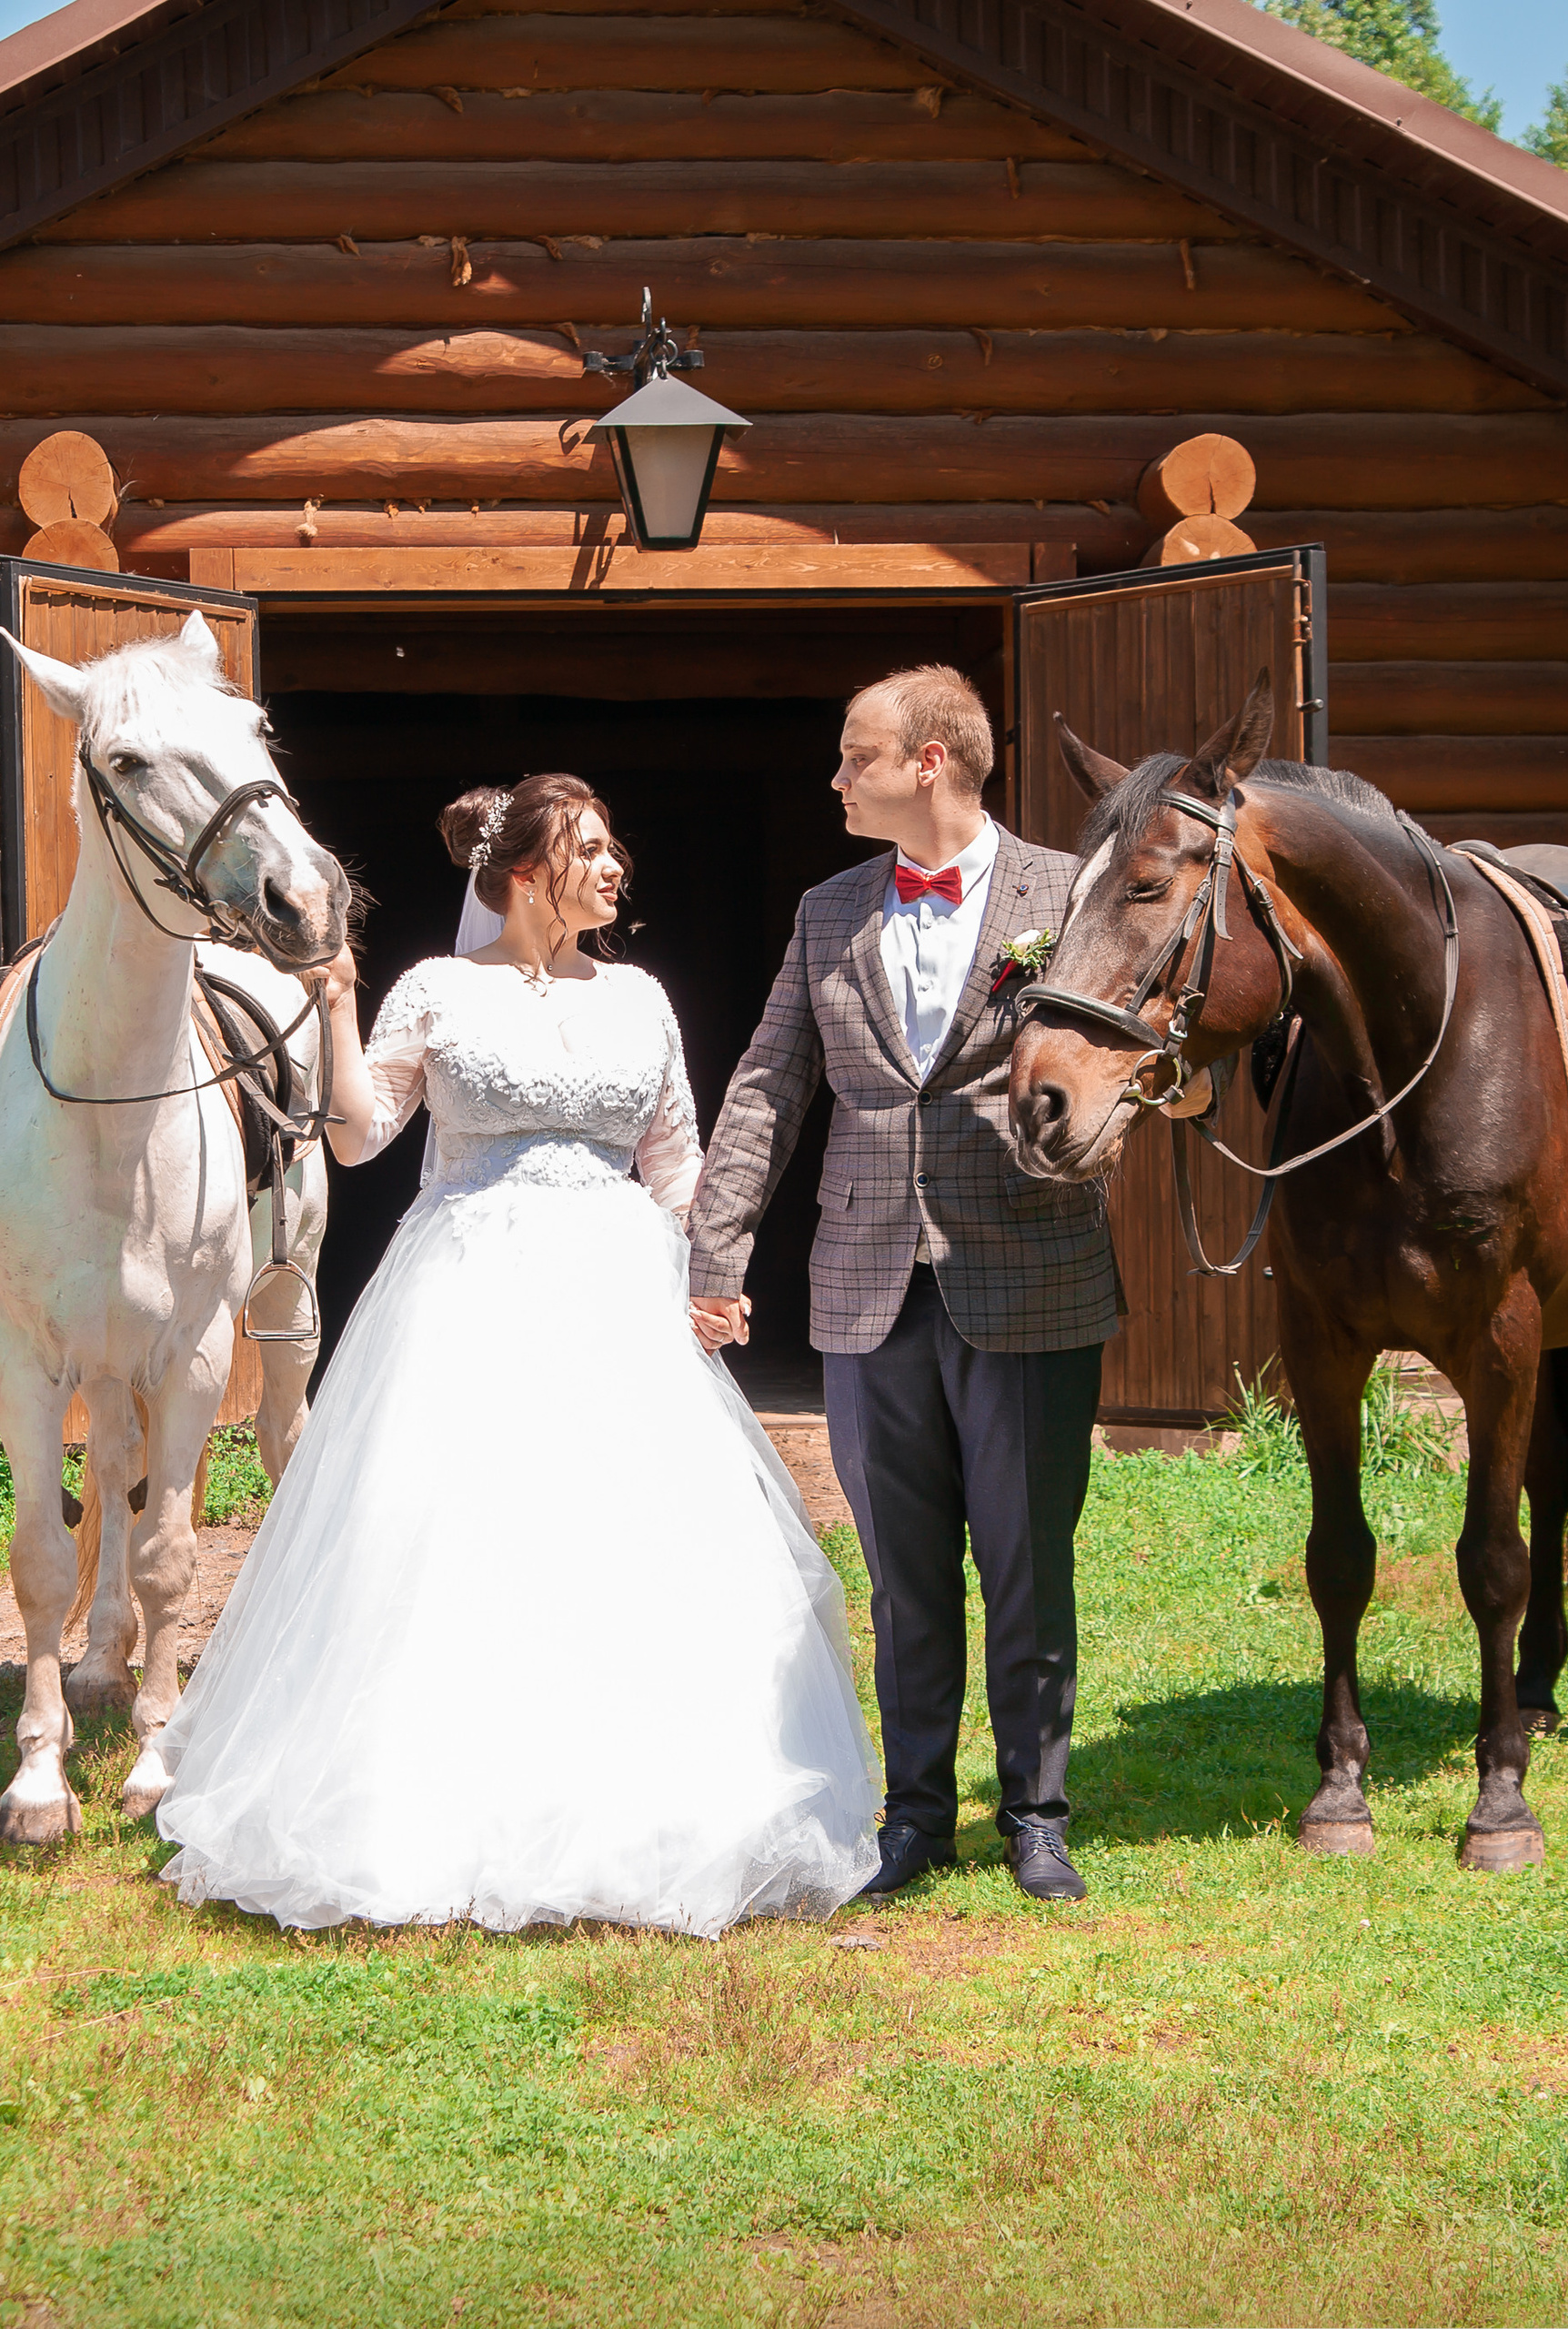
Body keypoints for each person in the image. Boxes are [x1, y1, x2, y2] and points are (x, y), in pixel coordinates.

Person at [148, 772, 881, 1935]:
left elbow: (674, 1160)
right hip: (468, 1290)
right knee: (464, 1531)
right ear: (528, 873)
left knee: (628, 1527)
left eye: (613, 845)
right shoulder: (437, 989)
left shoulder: (638, 996)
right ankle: (447, 1795)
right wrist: (337, 1009)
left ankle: (641, 1793)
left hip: (618, 1289)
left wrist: (710, 1277)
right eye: (590, 848)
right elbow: (360, 1138)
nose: (614, 866)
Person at [685, 667, 1121, 1903]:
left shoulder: (1069, 895)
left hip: (1028, 1273)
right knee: (905, 1575)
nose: (835, 777)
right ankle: (917, 1817)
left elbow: (1126, 1058)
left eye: (855, 755)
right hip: (864, 1281)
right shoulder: (828, 909)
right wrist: (715, 1252)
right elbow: (769, 1084)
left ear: (931, 761)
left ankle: (1035, 1815)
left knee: (1028, 1564)